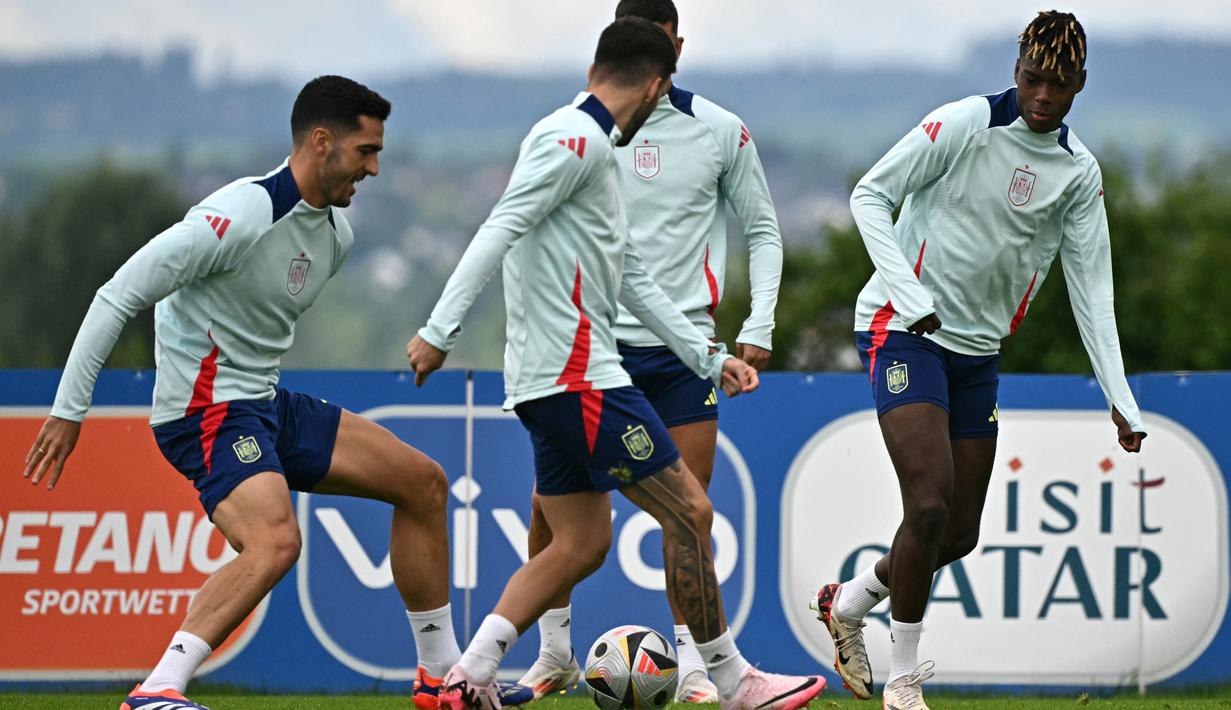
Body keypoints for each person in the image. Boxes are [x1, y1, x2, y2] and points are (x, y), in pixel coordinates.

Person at [20, 76, 479, 710]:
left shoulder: (336, 238)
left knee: (423, 483)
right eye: (365, 151)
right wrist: (70, 411)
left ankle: (439, 679)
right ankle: (157, 690)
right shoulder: (237, 215)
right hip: (202, 412)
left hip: (264, 405)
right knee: (276, 542)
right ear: (322, 142)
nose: (374, 168)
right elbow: (117, 294)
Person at [407, 17, 823, 710]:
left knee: (580, 541)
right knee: (688, 510)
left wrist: (705, 356)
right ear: (657, 83)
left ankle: (464, 679)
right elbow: (500, 226)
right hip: (580, 377)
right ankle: (731, 680)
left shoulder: (587, 142)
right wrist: (438, 329)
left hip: (550, 381)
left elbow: (627, 272)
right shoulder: (574, 140)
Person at [809, 11, 1147, 709]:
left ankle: (848, 603)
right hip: (901, 331)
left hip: (976, 354)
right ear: (1015, 67)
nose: (1042, 95)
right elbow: (869, 195)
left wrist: (1118, 396)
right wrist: (905, 291)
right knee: (926, 501)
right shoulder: (965, 122)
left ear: (1080, 83)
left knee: (955, 532)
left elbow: (1092, 288)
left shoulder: (1077, 174)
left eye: (1058, 84)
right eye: (1031, 79)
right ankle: (902, 682)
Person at [516, 0, 784, 704]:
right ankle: (551, 654)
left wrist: (760, 322)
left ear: (677, 48)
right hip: (589, 343)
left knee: (686, 508)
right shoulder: (576, 131)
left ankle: (695, 663)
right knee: (551, 506)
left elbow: (761, 228)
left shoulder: (721, 130)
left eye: (657, 49)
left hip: (683, 352)